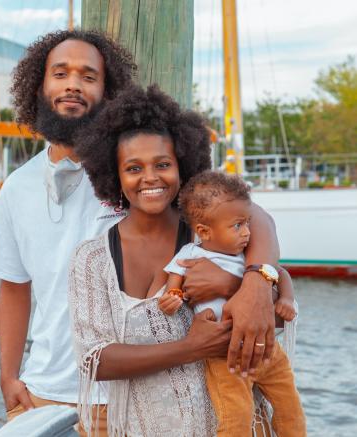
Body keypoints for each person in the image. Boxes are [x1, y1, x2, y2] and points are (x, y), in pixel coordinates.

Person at [69, 84, 283, 436]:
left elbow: (271, 317)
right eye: (133, 168)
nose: (150, 177)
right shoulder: (92, 259)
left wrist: (245, 284)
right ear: (114, 176)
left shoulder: (213, 236)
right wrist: (190, 347)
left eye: (163, 164)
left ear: (183, 165)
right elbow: (94, 360)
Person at [0, 29, 136, 435]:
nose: (73, 84)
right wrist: (9, 376)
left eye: (89, 76)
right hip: (39, 394)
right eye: (61, 73)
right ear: (40, 85)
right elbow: (14, 288)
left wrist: (264, 275)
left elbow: (239, 211)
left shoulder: (139, 171)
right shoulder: (17, 186)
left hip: (125, 397)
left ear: (108, 90)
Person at [157, 170, 306, 436]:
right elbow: (174, 283)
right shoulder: (191, 254)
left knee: (290, 407)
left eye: (248, 223)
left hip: (267, 349)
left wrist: (286, 298)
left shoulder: (248, 256)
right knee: (235, 416)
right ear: (204, 231)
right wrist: (173, 298)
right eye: (238, 226)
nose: (248, 232)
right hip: (226, 357)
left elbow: (279, 273)